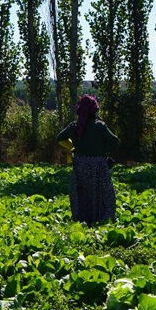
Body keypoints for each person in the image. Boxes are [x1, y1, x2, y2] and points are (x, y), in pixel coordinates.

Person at [55, 95, 120, 224]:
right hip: (98, 165)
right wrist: (103, 146)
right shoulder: (100, 126)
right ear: (94, 110)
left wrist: (72, 147)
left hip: (80, 164)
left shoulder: (74, 126)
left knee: (83, 194)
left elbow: (60, 138)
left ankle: (83, 219)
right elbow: (115, 141)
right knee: (103, 193)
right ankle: (103, 219)